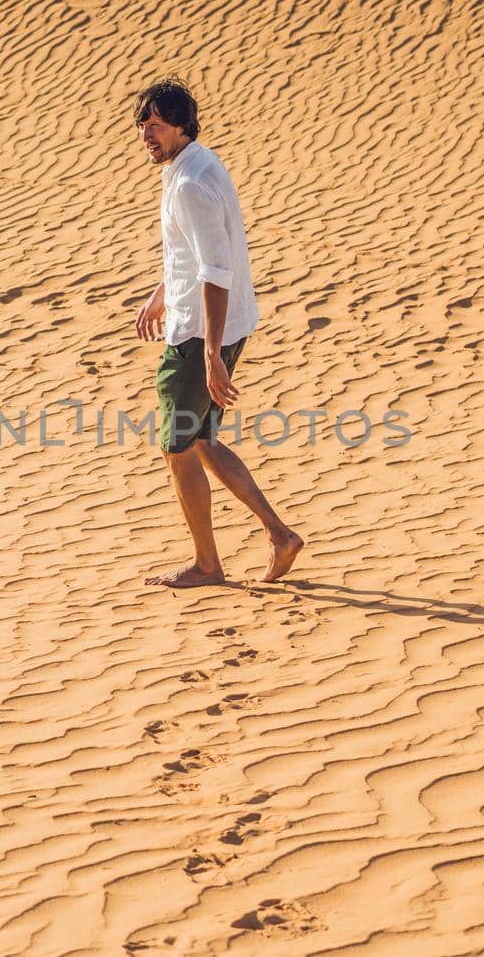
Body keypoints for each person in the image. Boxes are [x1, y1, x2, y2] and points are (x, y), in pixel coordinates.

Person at [132, 78, 304, 587]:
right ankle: (279, 535)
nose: (147, 135)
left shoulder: (188, 184)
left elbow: (216, 269)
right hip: (218, 323)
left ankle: (208, 564)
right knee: (201, 439)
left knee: (177, 447)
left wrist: (209, 354)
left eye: (157, 126)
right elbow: (193, 252)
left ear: (182, 125)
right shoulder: (196, 162)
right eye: (143, 126)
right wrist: (164, 290)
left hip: (197, 335)